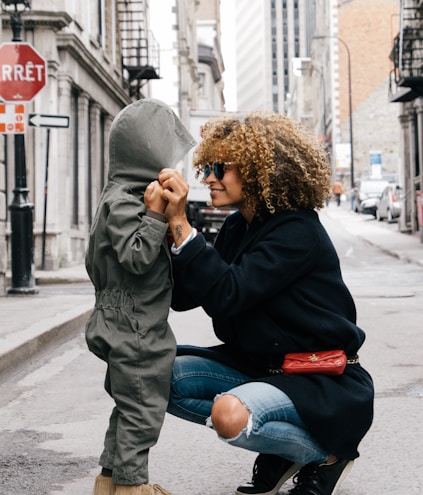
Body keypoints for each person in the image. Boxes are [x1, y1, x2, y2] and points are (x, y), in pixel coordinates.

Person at [158, 112, 374, 495]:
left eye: (219, 167)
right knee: (157, 377)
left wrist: (183, 226)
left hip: (319, 378)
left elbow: (229, 292)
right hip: (260, 367)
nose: (208, 177)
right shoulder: (238, 226)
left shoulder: (296, 230)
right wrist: (164, 227)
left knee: (229, 416)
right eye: (206, 166)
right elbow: (186, 296)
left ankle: (324, 455)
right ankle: (280, 448)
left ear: (259, 170)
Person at [85, 98, 195, 495]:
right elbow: (136, 256)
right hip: (134, 327)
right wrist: (155, 216)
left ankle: (111, 481)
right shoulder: (128, 201)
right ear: (146, 151)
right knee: (143, 413)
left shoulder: (118, 195)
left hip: (124, 320)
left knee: (128, 408)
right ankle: (133, 487)